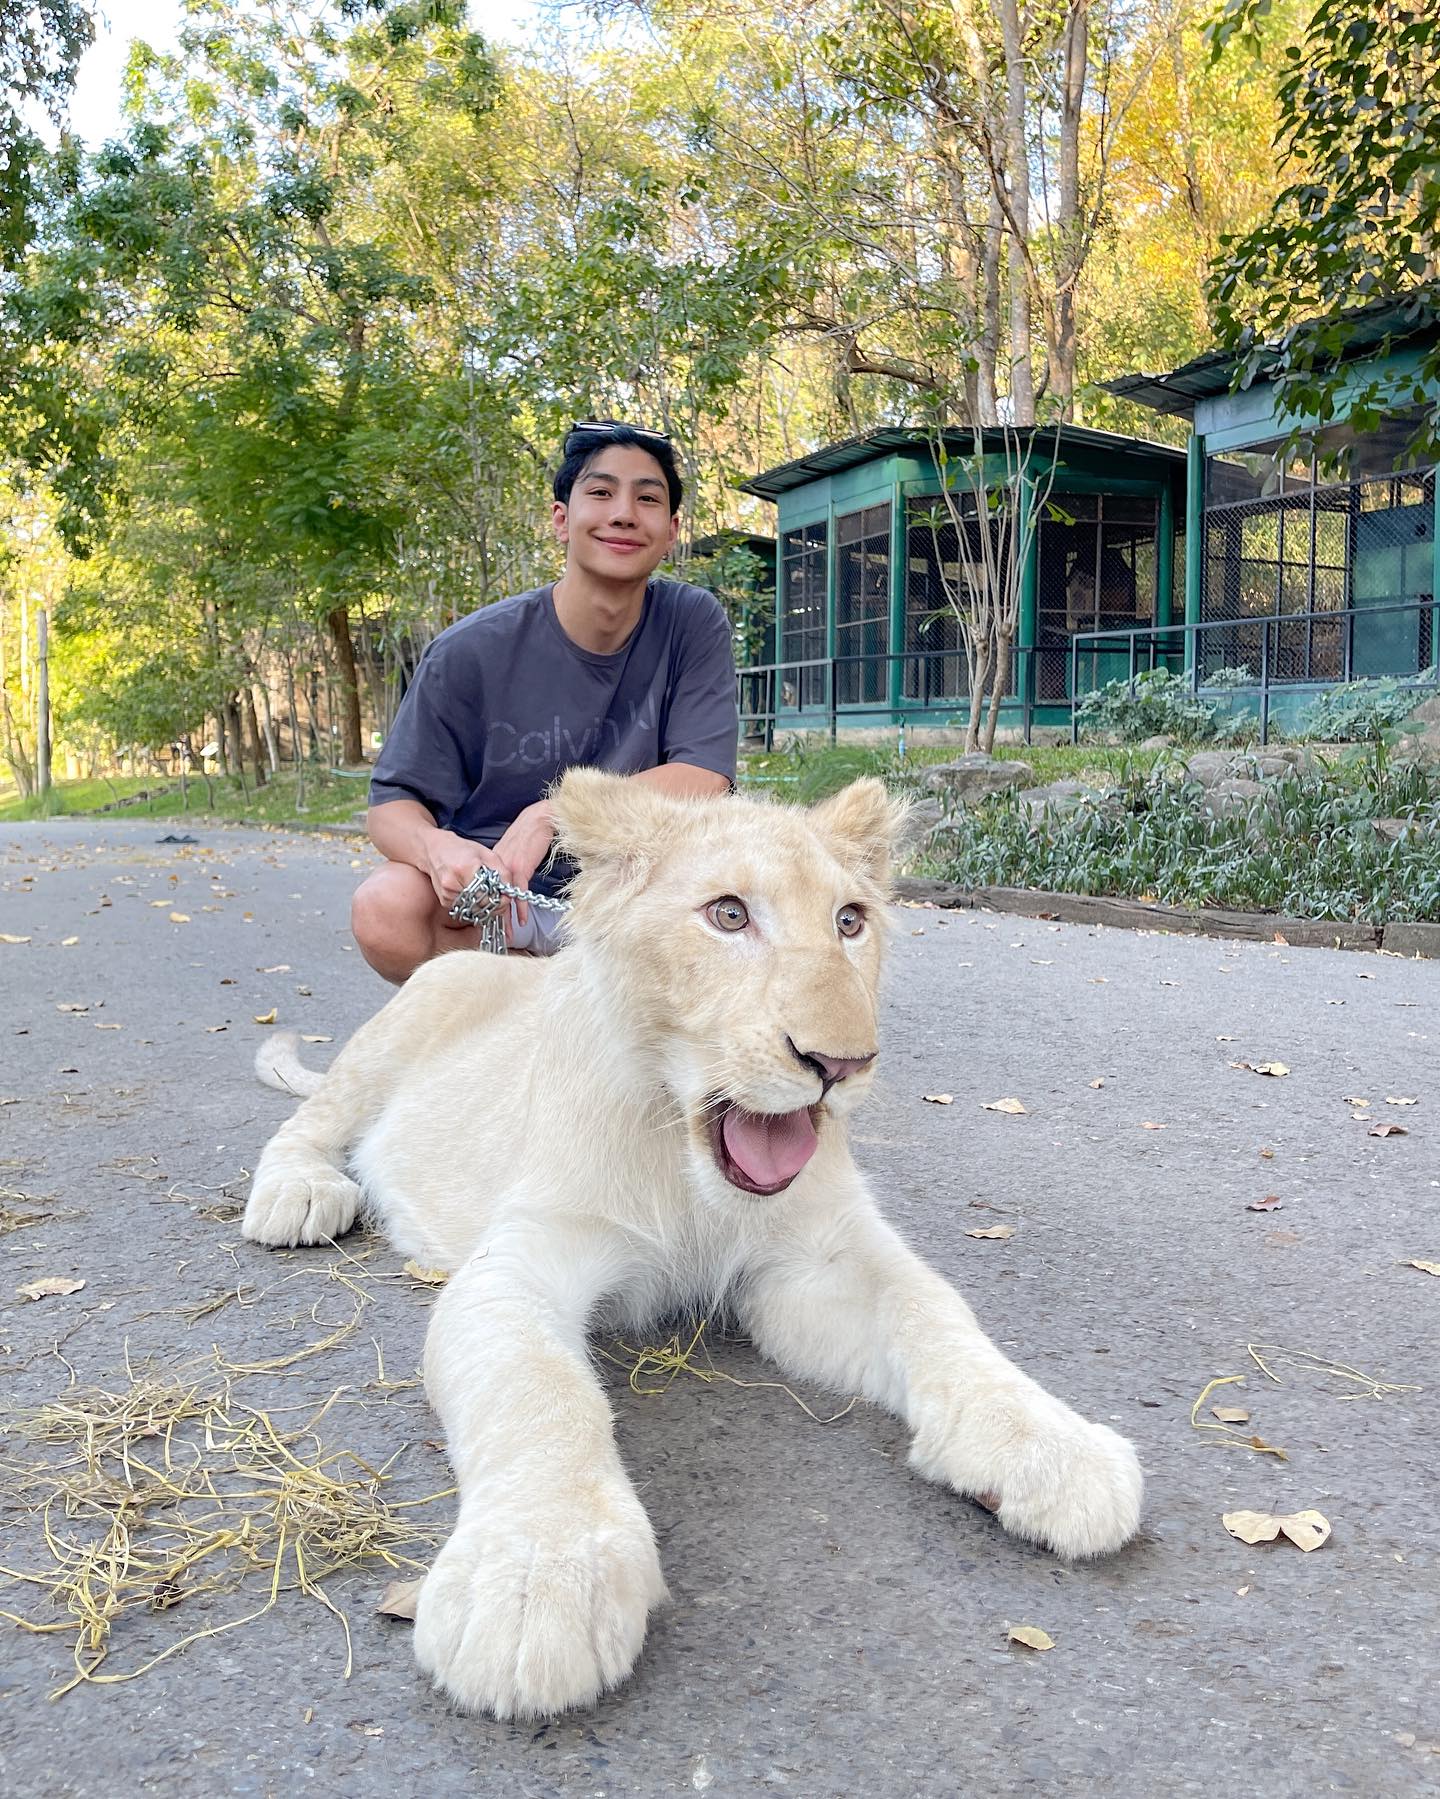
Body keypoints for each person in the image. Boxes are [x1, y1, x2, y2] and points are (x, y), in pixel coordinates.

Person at [354, 422, 738, 983]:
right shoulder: (469, 651)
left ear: (672, 529)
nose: (625, 513)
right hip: (497, 905)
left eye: (648, 498)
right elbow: (390, 810)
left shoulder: (690, 621)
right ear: (561, 519)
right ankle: (515, 1008)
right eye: (601, 493)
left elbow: (705, 775)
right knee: (385, 907)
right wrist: (438, 850)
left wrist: (552, 812)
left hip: (637, 896)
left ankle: (591, 1020)